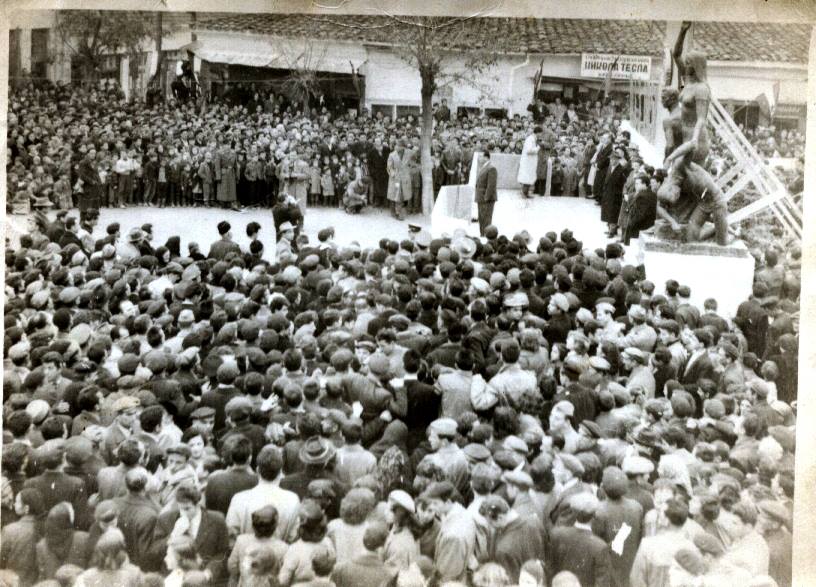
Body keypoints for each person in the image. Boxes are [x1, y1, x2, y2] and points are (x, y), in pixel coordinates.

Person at [475, 148, 498, 237]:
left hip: (486, 200)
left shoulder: (491, 168)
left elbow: (491, 186)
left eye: (480, 156)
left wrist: (486, 198)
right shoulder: (484, 167)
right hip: (481, 198)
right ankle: (482, 235)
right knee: (481, 219)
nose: (479, 159)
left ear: (486, 157)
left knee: (486, 220)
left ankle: (486, 236)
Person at [517, 127, 542, 198]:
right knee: (526, 178)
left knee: (530, 177)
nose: (541, 135)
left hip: (530, 163)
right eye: (540, 133)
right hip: (527, 163)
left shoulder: (533, 139)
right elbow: (529, 151)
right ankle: (523, 193)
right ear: (538, 133)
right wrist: (538, 148)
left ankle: (526, 193)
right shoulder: (530, 139)